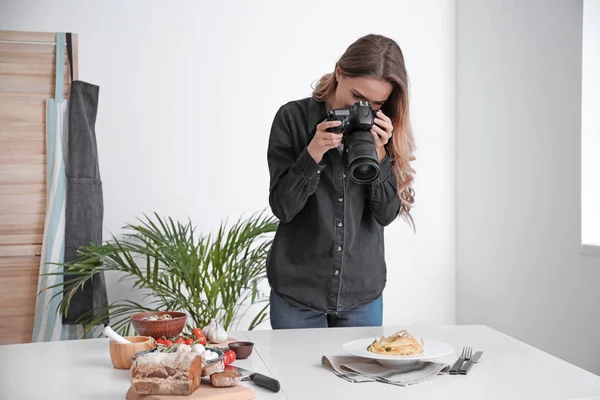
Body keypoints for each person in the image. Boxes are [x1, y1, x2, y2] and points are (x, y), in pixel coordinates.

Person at [266, 34, 416, 329]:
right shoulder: (292, 119)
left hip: (362, 294)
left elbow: (385, 214)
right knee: (299, 376)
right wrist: (314, 152)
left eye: (377, 103)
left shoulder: (384, 127)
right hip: (298, 293)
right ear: (339, 73)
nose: (366, 109)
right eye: (358, 97)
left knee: (360, 376)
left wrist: (381, 155)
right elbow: (283, 208)